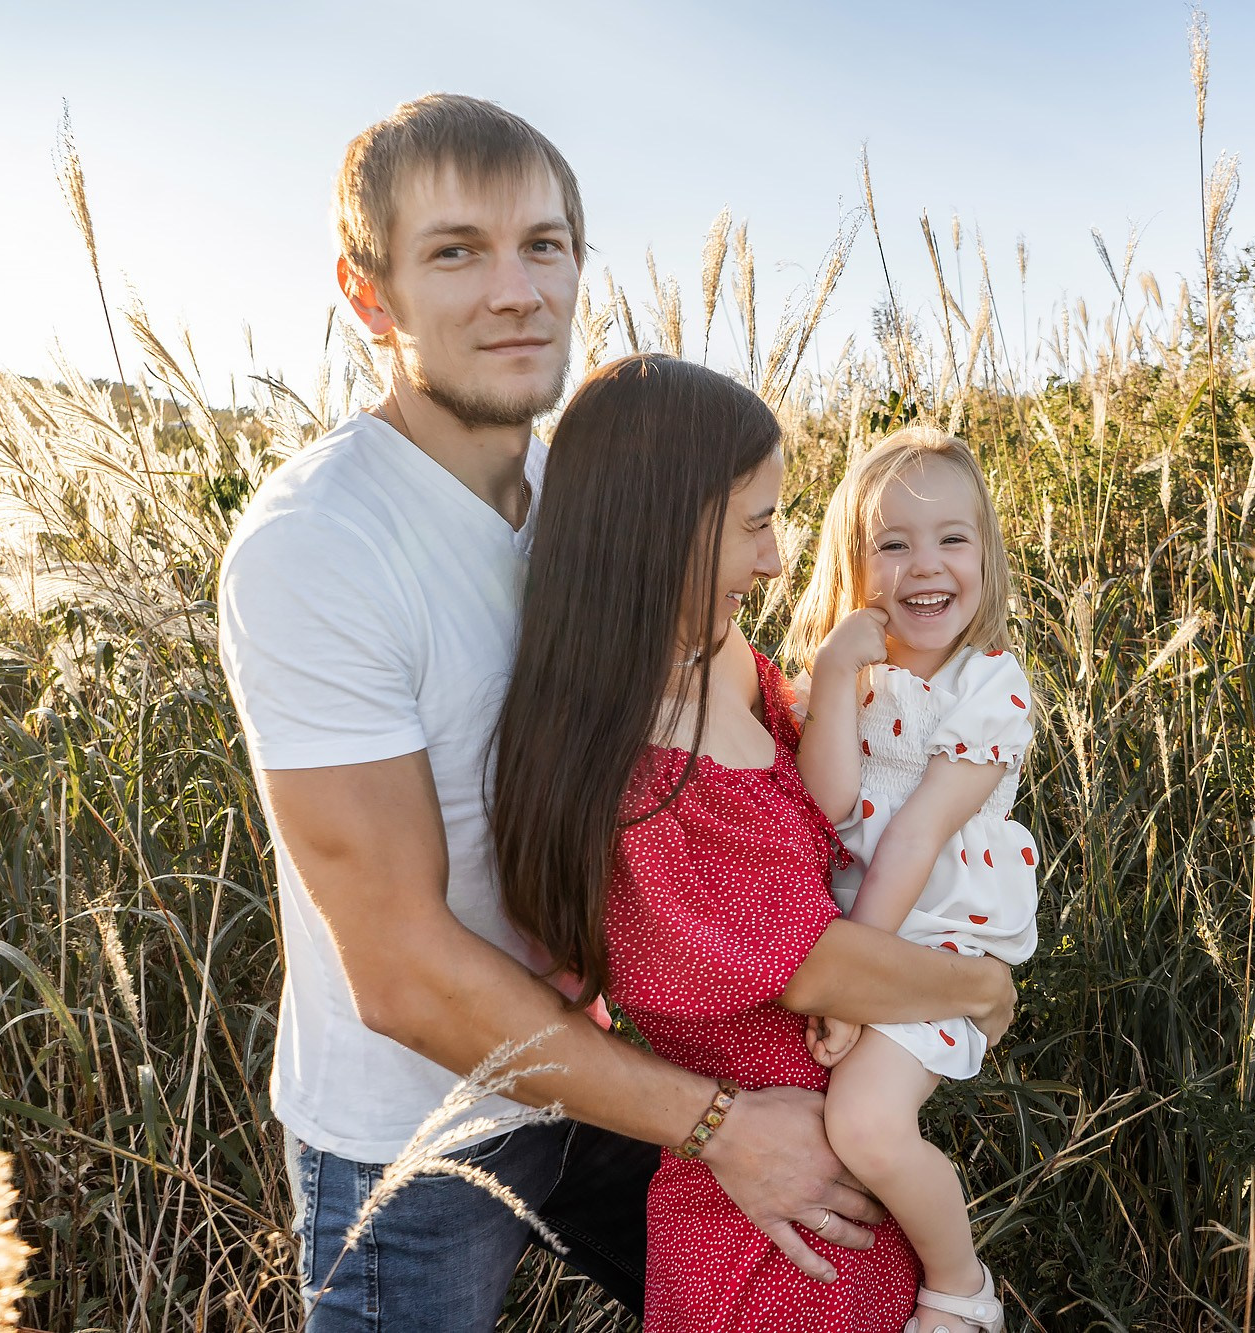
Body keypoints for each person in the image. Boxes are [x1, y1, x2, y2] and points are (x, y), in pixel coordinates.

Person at [217, 95, 1014, 1330]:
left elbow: (741, 710)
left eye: (543, 244)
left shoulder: (593, 489)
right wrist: (718, 1125)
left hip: (625, 1057)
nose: (515, 289)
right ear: (368, 294)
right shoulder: (321, 548)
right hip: (427, 1123)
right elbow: (403, 973)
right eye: (454, 250)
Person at [492, 355, 1018, 1331]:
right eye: (755, 524)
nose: (776, 559)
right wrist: (981, 987)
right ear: (663, 533)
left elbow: (832, 794)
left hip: (842, 1184)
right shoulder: (644, 783)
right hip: (774, 1238)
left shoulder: (717, 656)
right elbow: (811, 966)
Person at [779, 428, 1040, 1333]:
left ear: (986, 553)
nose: (925, 566)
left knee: (867, 1125)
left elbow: (918, 833)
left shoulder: (991, 689)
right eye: (893, 543)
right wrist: (839, 671)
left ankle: (961, 1286)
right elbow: (829, 799)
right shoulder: (845, 672)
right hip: (847, 931)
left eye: (952, 539)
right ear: (854, 563)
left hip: (933, 934)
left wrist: (855, 983)